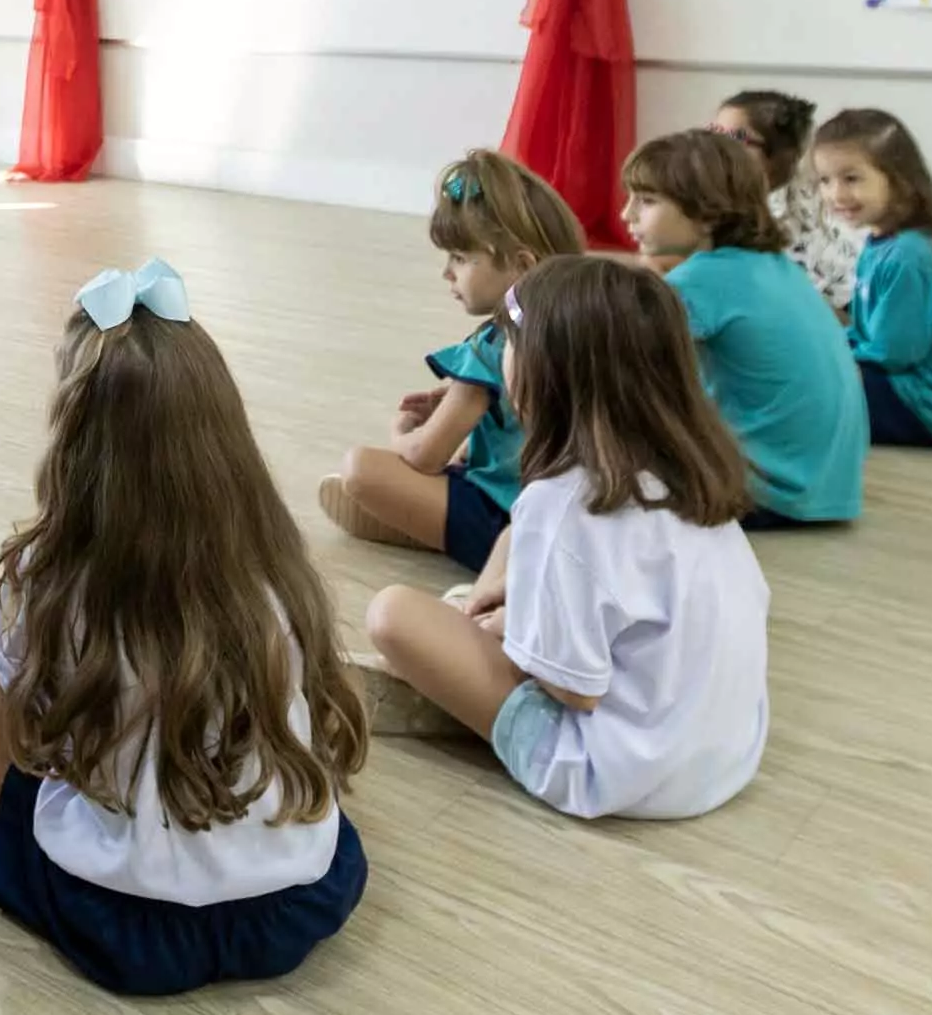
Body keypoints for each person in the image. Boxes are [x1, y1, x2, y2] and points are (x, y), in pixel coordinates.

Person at [0, 258, 370, 997]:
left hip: (122, 920)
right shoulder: (272, 563)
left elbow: (24, 744)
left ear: (75, 445)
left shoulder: (46, 577)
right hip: (288, 904)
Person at [354, 256, 771, 822]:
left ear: (541, 371)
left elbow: (575, 690)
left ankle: (453, 690)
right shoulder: (689, 468)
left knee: (394, 614)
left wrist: (508, 628)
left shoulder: (566, 503)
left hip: (618, 772)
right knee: (507, 553)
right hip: (726, 752)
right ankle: (474, 636)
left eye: (508, 342)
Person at [320, 148, 585, 572]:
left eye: (460, 258)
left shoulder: (492, 347)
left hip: (506, 522)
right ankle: (425, 517)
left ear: (522, 266)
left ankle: (431, 528)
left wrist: (403, 431)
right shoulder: (586, 329)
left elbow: (426, 455)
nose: (447, 273)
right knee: (459, 463)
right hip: (575, 522)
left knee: (360, 469)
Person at [621, 130, 866, 528]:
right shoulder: (773, 265)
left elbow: (614, 365)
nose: (626, 215)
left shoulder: (701, 280)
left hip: (769, 493)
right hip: (827, 490)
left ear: (707, 216)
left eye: (647, 201)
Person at [812, 109, 932, 449]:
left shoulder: (909, 256)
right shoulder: (883, 242)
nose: (835, 194)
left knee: (797, 388)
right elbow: (869, 334)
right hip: (914, 392)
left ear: (897, 179)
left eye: (851, 179)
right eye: (825, 180)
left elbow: (893, 353)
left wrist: (829, 352)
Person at [713, 89, 861, 314]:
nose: (715, 148)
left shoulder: (784, 216)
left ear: (778, 155)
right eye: (714, 134)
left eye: (735, 138)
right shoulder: (727, 202)